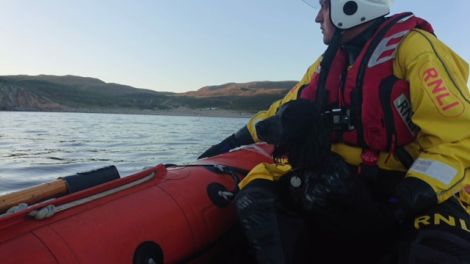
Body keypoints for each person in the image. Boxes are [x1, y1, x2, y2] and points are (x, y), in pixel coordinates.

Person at [199, 0, 470, 263]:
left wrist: (399, 204)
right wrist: (229, 143)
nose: (318, 17)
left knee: (438, 251)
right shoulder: (326, 64)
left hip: (406, 187)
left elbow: (458, 138)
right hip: (341, 179)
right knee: (256, 200)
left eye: (324, 6)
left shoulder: (415, 49)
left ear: (349, 5)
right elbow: (284, 108)